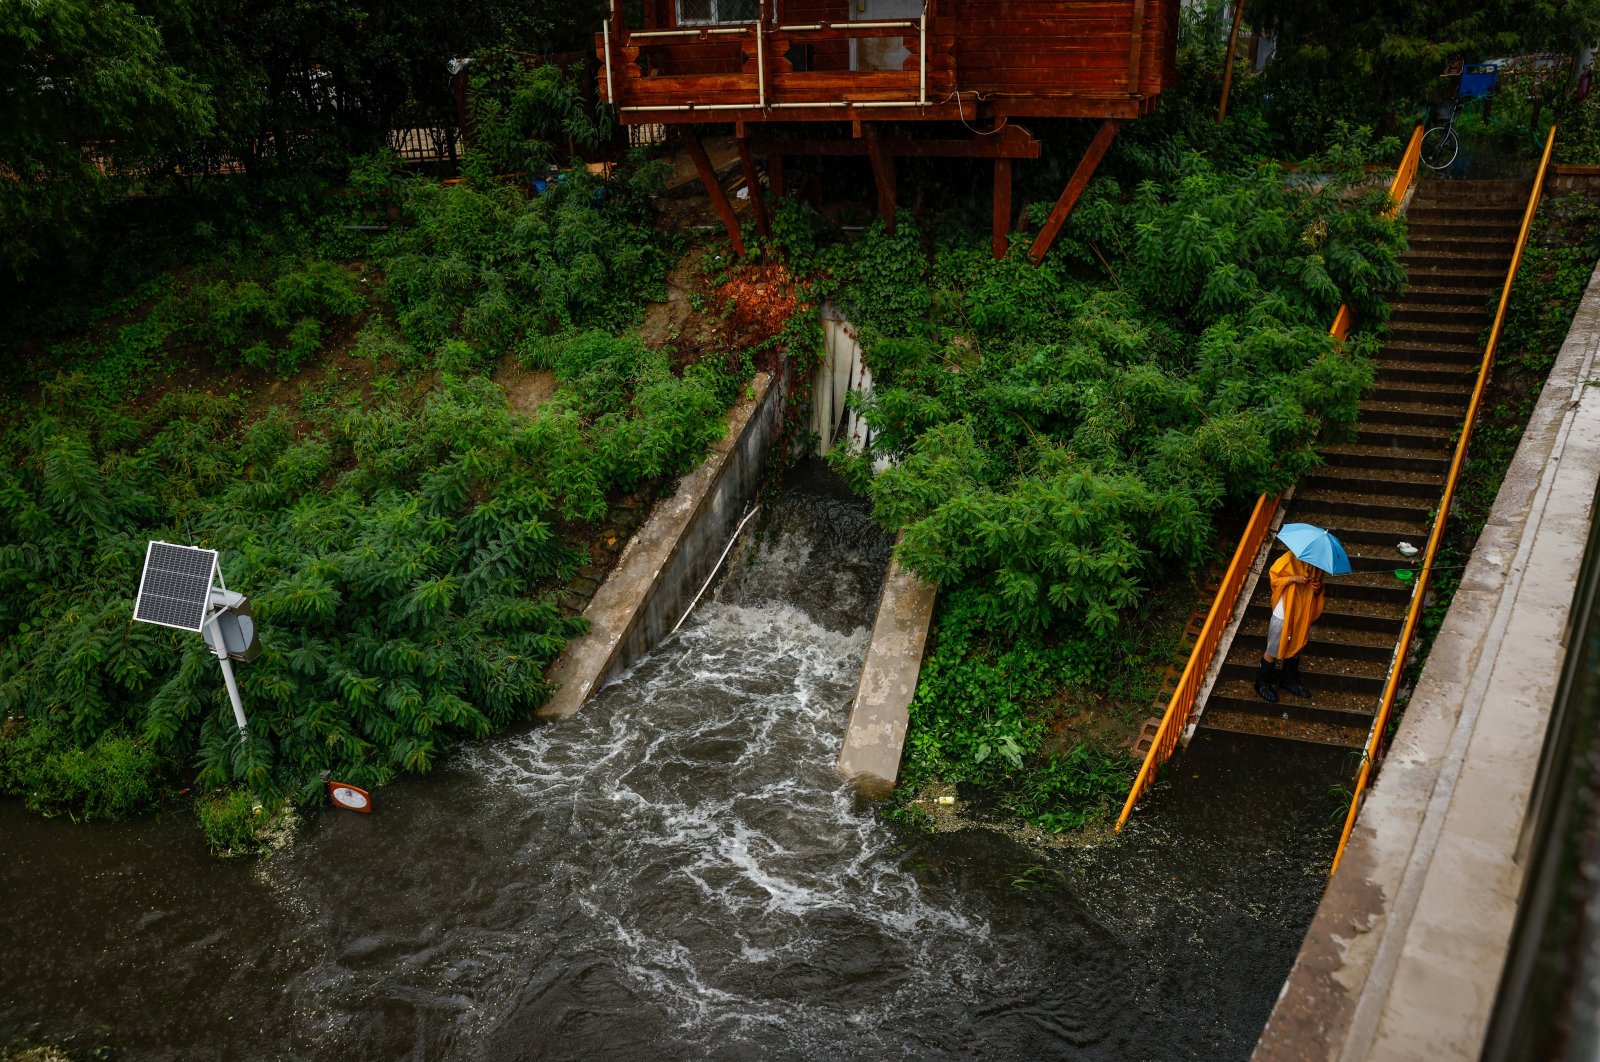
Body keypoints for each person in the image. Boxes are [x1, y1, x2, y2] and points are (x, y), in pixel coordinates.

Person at [1256, 550, 1325, 702]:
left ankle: (1289, 681)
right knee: (1273, 648)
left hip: (1302, 612)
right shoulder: (1288, 559)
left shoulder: (1317, 566)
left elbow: (1317, 593)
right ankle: (1262, 683)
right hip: (1285, 611)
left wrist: (1317, 587)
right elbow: (1275, 580)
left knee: (1297, 646)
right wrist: (1294, 578)